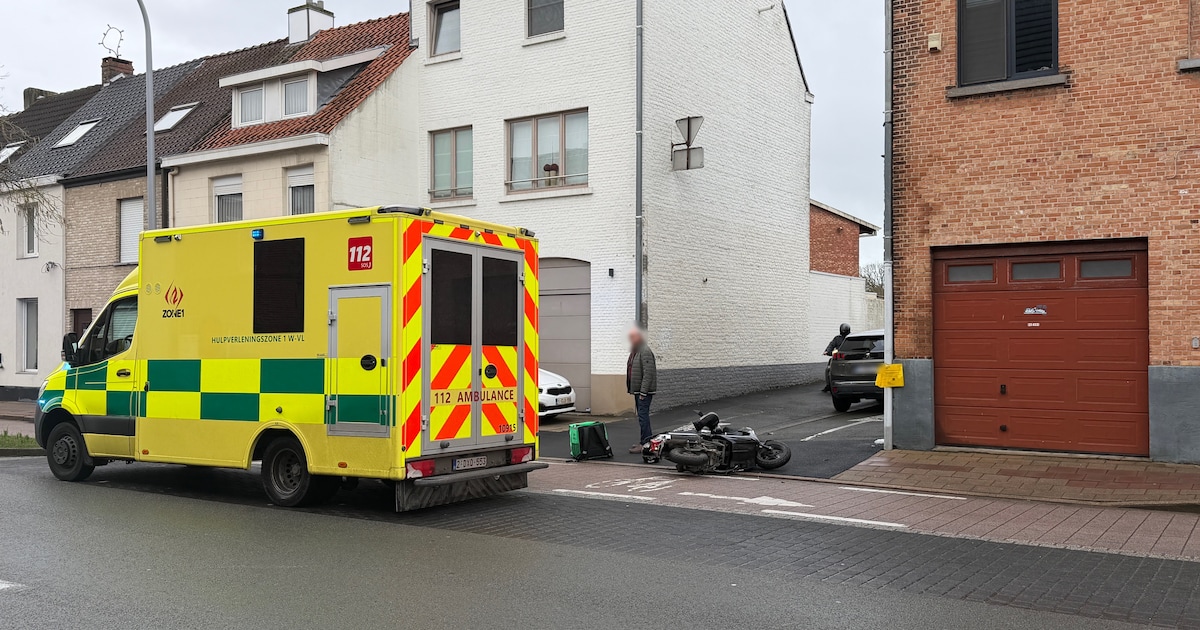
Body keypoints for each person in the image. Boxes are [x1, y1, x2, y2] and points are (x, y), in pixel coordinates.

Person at [626, 326, 658, 454]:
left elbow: (648, 373)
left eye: (633, 337)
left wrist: (643, 392)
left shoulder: (644, 351)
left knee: (643, 417)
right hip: (638, 391)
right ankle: (645, 441)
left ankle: (645, 443)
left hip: (643, 392)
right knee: (642, 416)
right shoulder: (636, 351)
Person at [822, 323, 851, 392]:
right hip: (839, 357)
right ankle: (829, 384)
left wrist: (827, 351)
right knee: (829, 368)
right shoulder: (838, 338)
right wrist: (827, 351)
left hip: (847, 357)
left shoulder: (850, 338)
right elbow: (831, 345)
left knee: (830, 368)